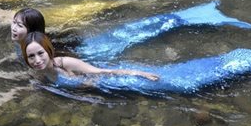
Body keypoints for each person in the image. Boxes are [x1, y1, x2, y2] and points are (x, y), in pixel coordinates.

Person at [21, 32, 159, 82]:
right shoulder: (35, 71)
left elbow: (102, 72)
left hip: (91, 77)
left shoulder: (67, 63)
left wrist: (140, 73)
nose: (37, 60)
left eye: (40, 53)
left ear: (49, 51)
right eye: (31, 56)